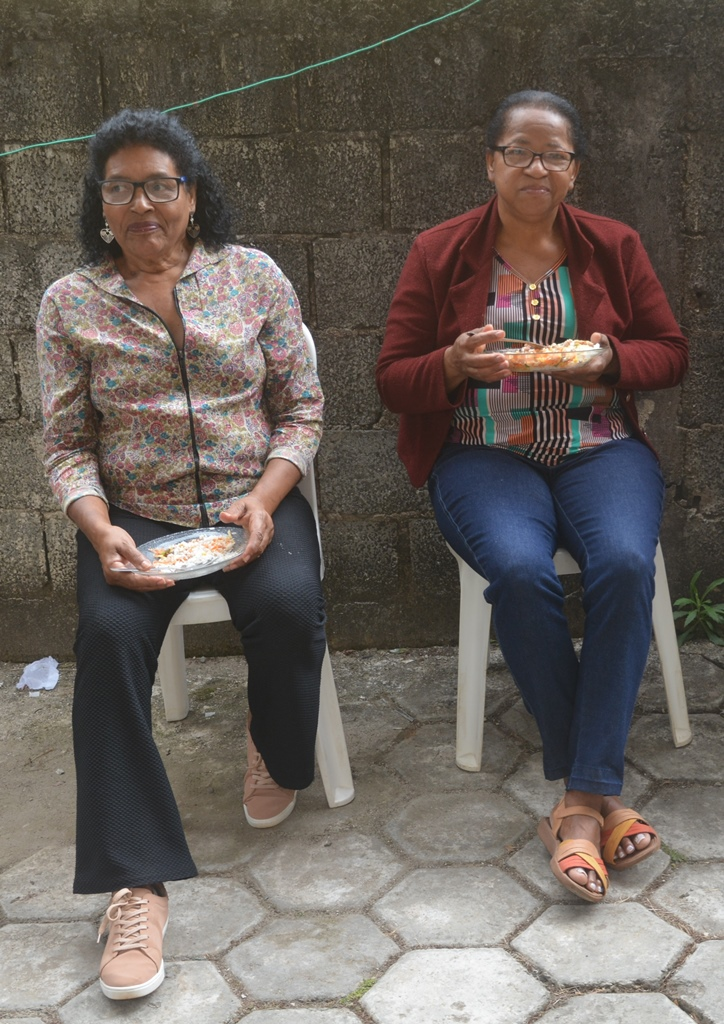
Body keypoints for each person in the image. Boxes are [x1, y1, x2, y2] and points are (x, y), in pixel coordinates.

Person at [36, 108, 326, 999]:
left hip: (251, 501)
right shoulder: (71, 304)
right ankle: (136, 883)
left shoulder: (253, 277)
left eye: (160, 185)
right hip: (136, 518)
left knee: (287, 606)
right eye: (120, 189)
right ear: (100, 205)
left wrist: (265, 498)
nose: (142, 204)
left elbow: (302, 407)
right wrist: (100, 529)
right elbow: (65, 445)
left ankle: (276, 745)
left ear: (192, 196)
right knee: (107, 640)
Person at [376, 90, 688, 904]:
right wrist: (452, 364)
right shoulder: (439, 252)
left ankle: (577, 805)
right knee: (519, 571)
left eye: (554, 155)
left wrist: (610, 359)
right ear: (491, 163)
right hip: (484, 452)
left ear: (574, 170)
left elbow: (670, 351)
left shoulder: (615, 245)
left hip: (598, 445)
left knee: (626, 563)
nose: (536, 167)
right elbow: (392, 378)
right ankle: (600, 796)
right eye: (519, 151)